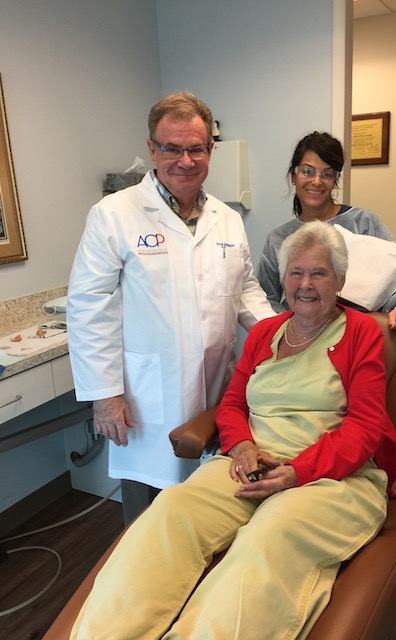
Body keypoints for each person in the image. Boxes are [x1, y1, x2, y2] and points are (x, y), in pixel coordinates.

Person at [70, 220, 396, 640]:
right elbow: (232, 404)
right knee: (172, 512)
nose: (305, 283)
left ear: (340, 279)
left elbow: (366, 426)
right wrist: (241, 445)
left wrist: (297, 472)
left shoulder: (361, 333)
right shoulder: (265, 332)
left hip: (331, 476)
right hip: (247, 466)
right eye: (296, 272)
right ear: (282, 279)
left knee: (269, 535)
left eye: (319, 273)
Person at [67, 90, 275, 524]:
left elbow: (246, 290)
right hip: (149, 395)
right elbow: (89, 307)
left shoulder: (227, 218)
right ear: (152, 149)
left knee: (211, 495)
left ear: (210, 149)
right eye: (172, 148)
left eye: (195, 148)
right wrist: (104, 395)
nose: (185, 160)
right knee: (149, 506)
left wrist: (287, 337)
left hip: (217, 384)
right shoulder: (113, 215)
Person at [256, 131, 396, 340]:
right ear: (293, 175)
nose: (316, 181)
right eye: (307, 171)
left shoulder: (364, 223)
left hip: (360, 341)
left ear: (335, 180)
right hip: (301, 344)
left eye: (326, 174)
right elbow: (266, 300)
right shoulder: (278, 239)